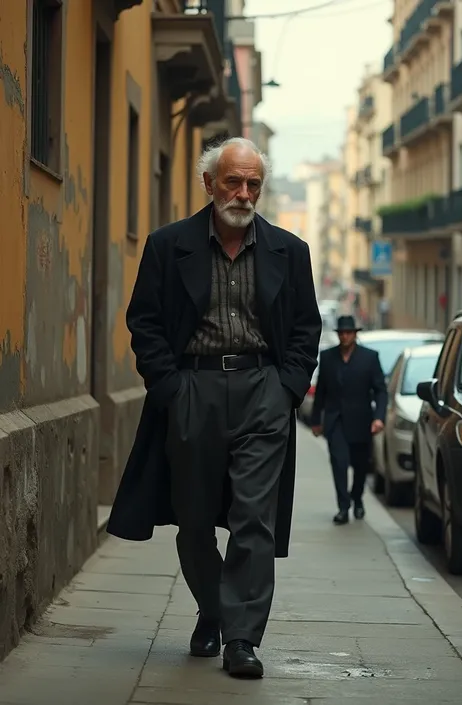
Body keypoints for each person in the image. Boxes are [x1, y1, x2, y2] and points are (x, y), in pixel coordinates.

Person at [107, 137, 321, 679]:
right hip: (193, 391)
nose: (244, 194)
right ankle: (213, 609)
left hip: (262, 391)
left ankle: (242, 637)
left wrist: (286, 389)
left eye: (253, 184)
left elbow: (305, 329)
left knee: (255, 517)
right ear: (209, 183)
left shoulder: (290, 252)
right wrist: (171, 389)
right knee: (195, 519)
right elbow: (145, 322)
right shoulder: (167, 245)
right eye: (233, 181)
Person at [310, 315, 387, 525]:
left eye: (348, 332)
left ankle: (357, 498)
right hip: (335, 422)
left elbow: (380, 390)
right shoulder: (327, 358)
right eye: (341, 333)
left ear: (355, 334)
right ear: (338, 335)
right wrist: (316, 420)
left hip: (362, 422)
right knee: (339, 463)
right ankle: (343, 507)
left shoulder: (369, 357)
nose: (345, 336)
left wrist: (379, 417)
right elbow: (321, 393)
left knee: (361, 467)